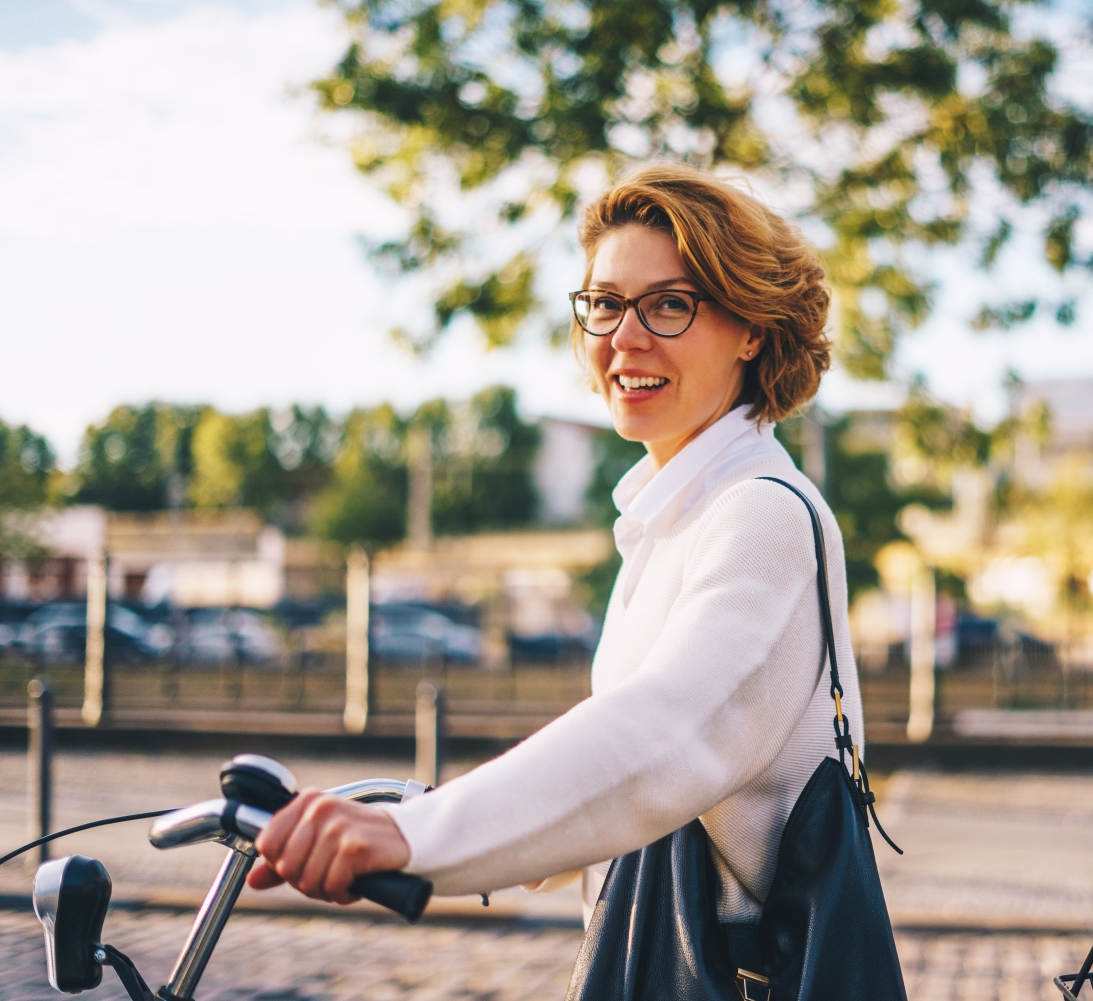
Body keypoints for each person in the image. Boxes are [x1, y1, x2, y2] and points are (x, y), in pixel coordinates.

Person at [248, 161, 864, 934]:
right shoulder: (674, 514)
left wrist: (417, 838)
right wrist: (440, 813)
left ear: (751, 329)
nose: (624, 338)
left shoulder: (757, 512)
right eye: (605, 305)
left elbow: (665, 734)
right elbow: (640, 782)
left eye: (669, 304)